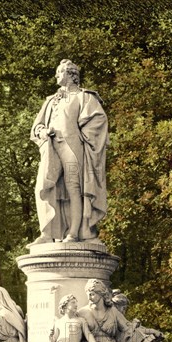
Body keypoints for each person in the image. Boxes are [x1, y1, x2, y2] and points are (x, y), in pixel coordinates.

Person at [30, 59, 108, 244]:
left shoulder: (85, 97)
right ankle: (47, 233)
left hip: (73, 148)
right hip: (51, 148)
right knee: (43, 186)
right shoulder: (50, 101)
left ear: (71, 75)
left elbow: (98, 120)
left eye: (60, 72)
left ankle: (74, 233)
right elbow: (37, 126)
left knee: (74, 188)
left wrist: (83, 135)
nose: (56, 76)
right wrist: (42, 131)